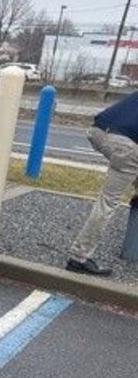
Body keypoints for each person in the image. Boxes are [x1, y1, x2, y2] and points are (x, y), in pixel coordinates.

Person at [66, 90, 138, 276]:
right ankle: (79, 257)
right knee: (108, 202)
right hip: (126, 144)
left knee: (129, 165)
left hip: (98, 131)